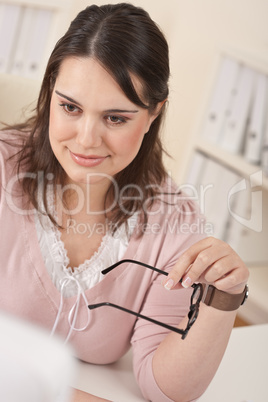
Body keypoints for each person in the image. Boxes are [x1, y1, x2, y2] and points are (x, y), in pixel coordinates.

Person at [0, 3, 249, 402]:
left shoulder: (176, 222)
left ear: (153, 115)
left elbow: (166, 389)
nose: (85, 139)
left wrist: (226, 296)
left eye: (115, 118)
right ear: (49, 93)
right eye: (70, 107)